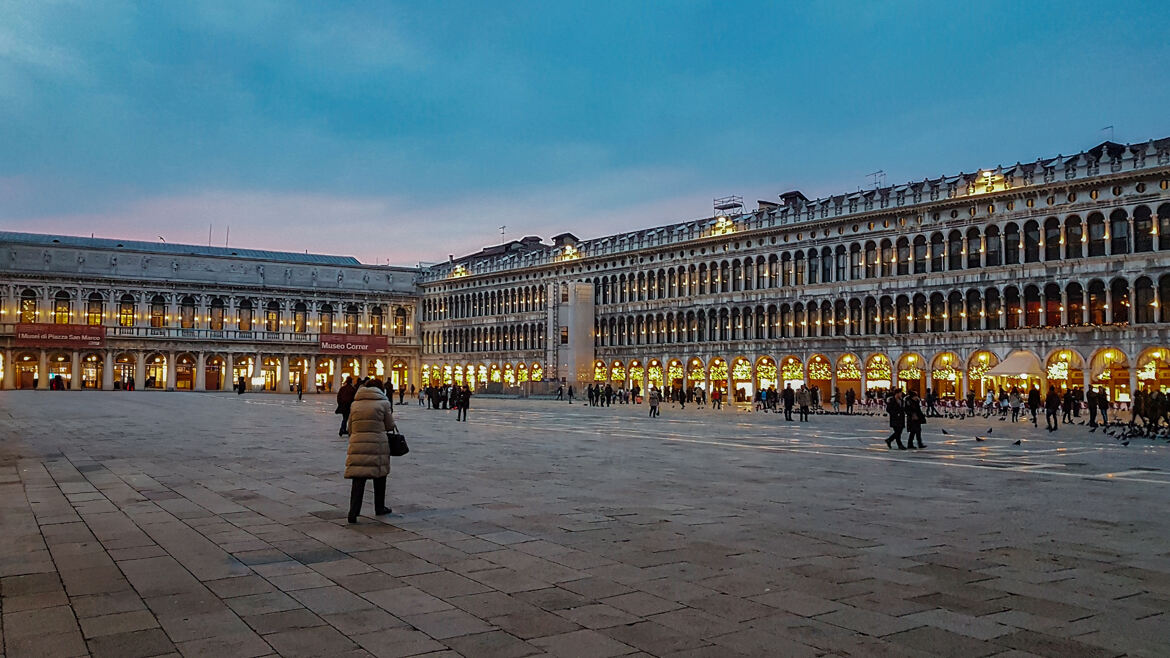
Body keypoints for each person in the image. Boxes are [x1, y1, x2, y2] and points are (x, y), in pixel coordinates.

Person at [345, 381, 397, 523]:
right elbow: (390, 425)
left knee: (358, 479)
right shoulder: (383, 403)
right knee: (380, 476)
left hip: (357, 444)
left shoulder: (355, 404)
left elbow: (350, 427)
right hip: (377, 444)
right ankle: (379, 507)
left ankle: (353, 512)